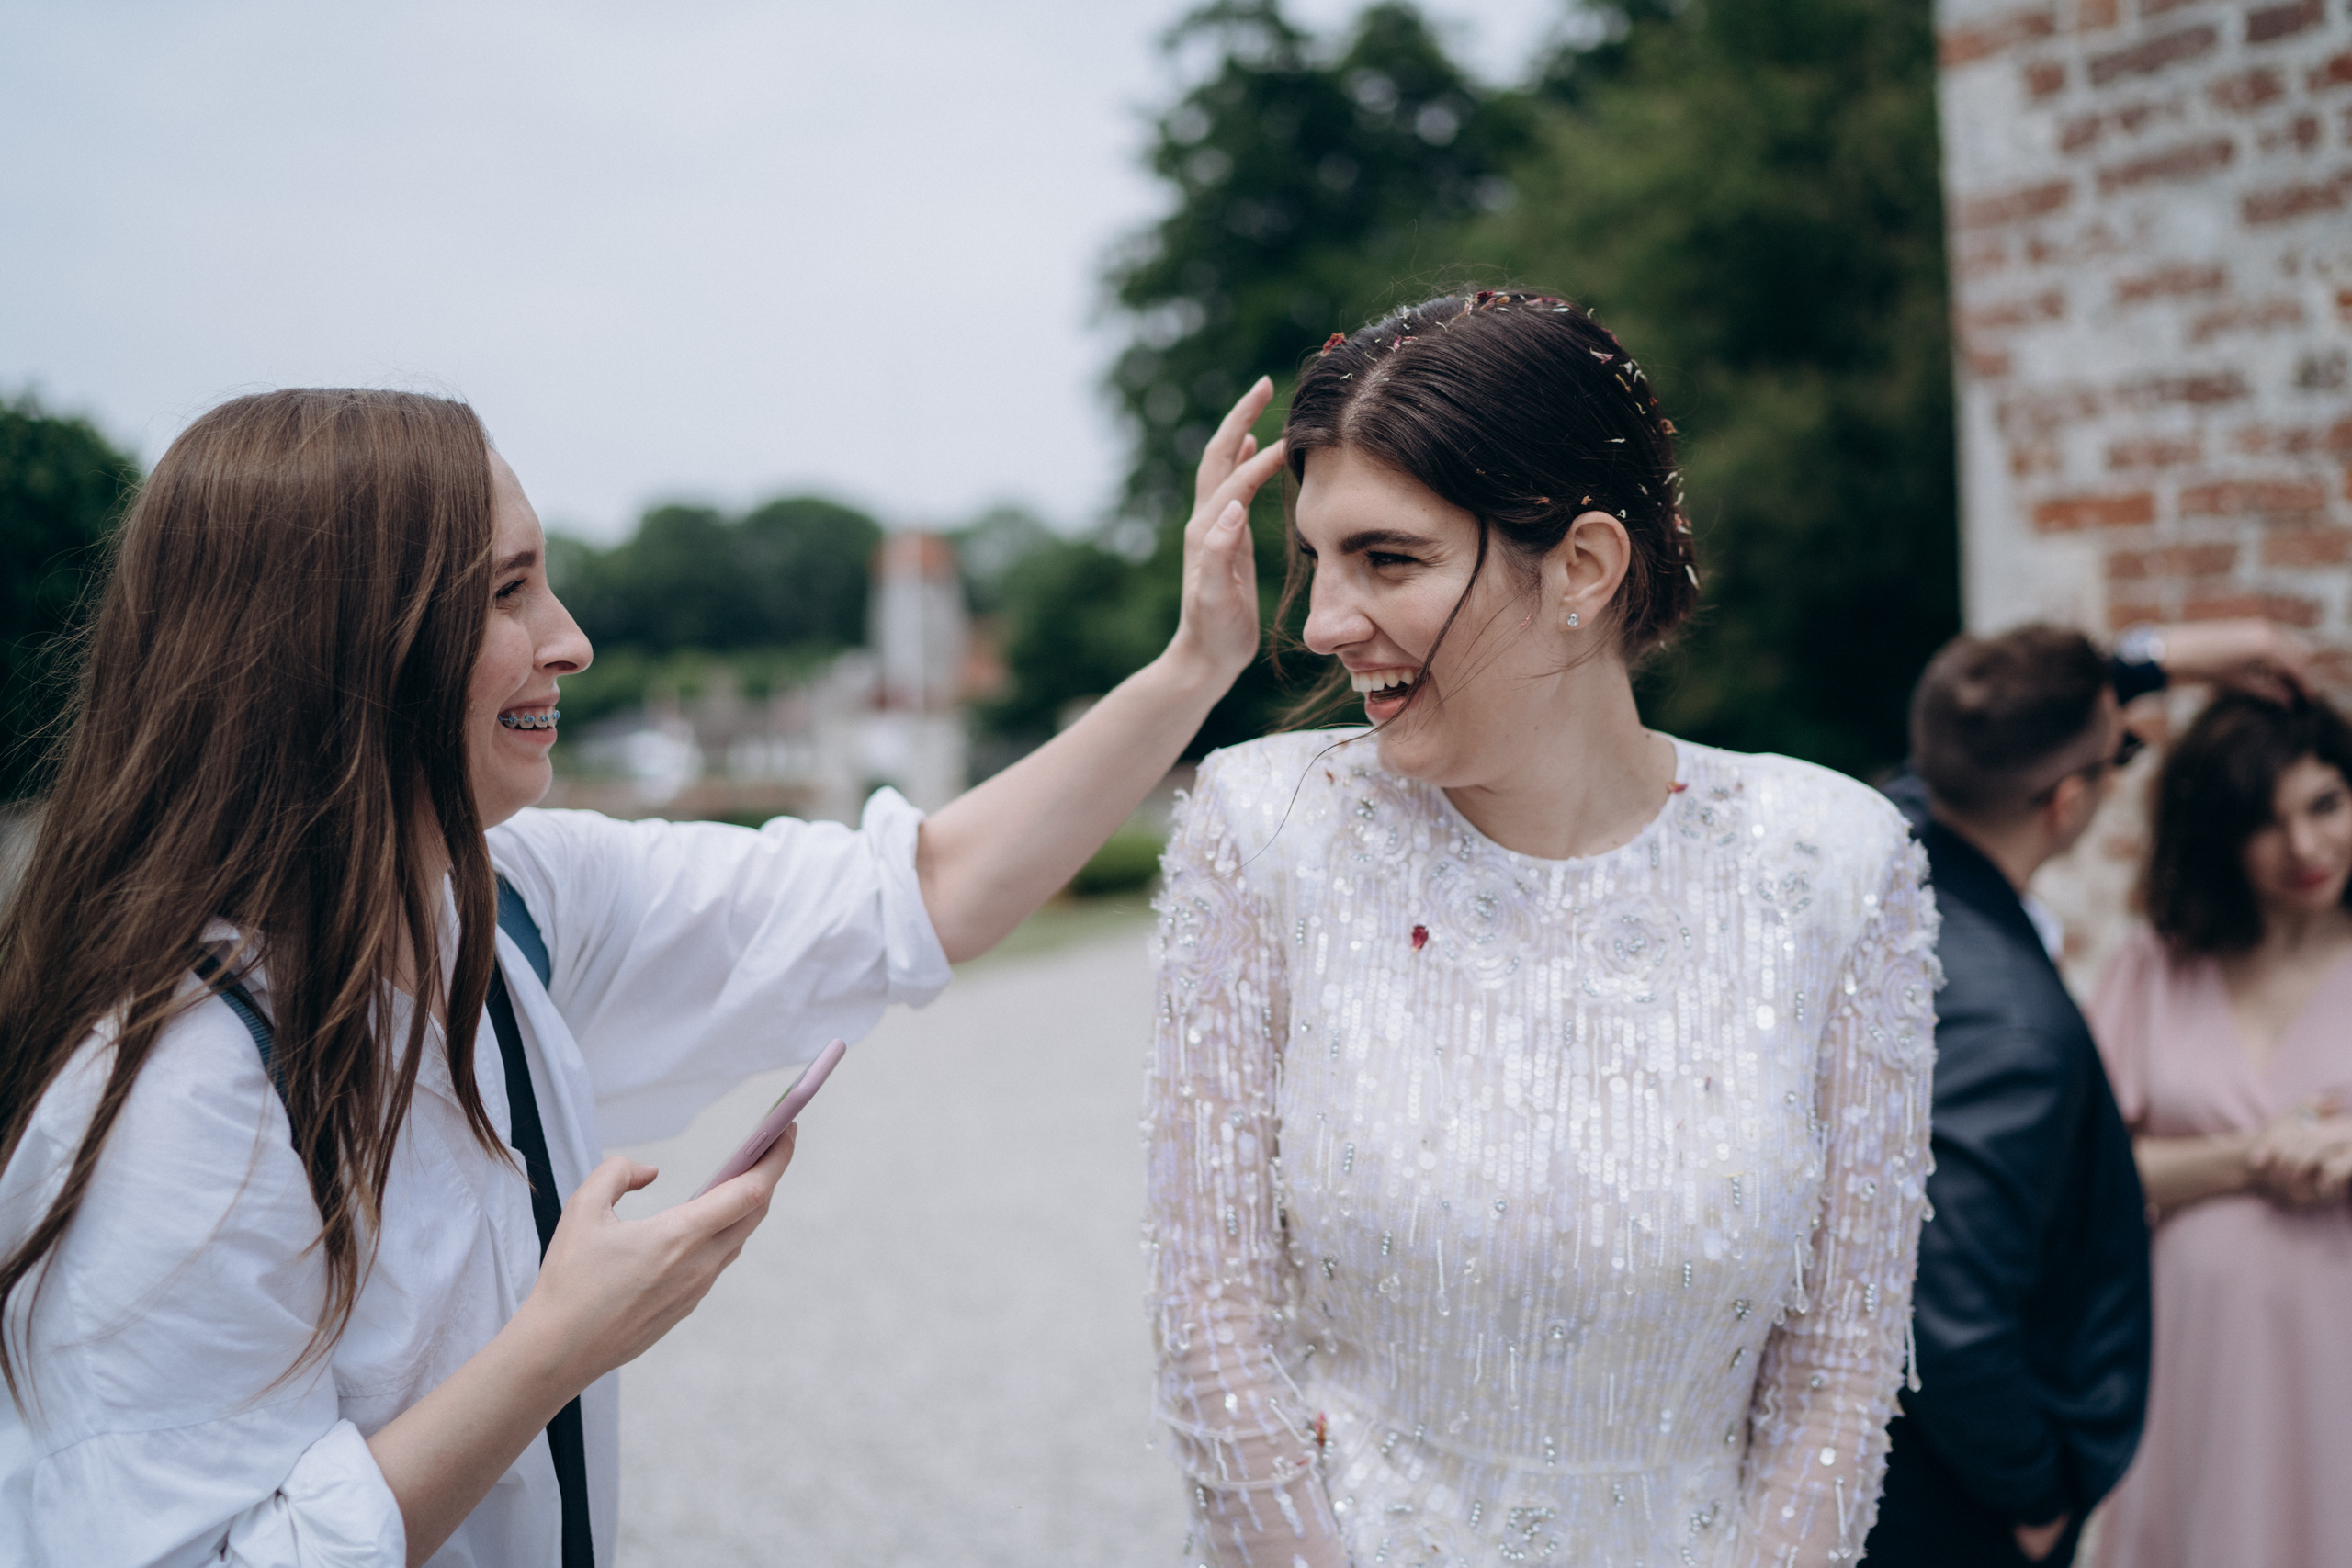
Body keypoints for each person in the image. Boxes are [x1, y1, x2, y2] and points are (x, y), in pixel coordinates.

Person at [0, 380, 1286, 1566]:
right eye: (509, 593)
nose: (570, 641)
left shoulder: (515, 898)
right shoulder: (171, 1091)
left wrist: (1197, 661)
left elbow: (922, 890)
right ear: (342, 647)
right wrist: (555, 1348)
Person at [1145, 289, 1939, 1568]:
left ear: (1581, 566)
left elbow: (1838, 1377)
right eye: (1317, 560)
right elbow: (1212, 1331)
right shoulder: (1263, 829)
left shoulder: (1836, 862)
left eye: (1386, 559)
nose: (1322, 621)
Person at [2085, 692, 2352, 1568]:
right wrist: (2252, 1157)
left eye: (2325, 804)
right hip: (2197, 1364)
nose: (2305, 847)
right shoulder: (2155, 967)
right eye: (2265, 822)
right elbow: (2087, 1171)